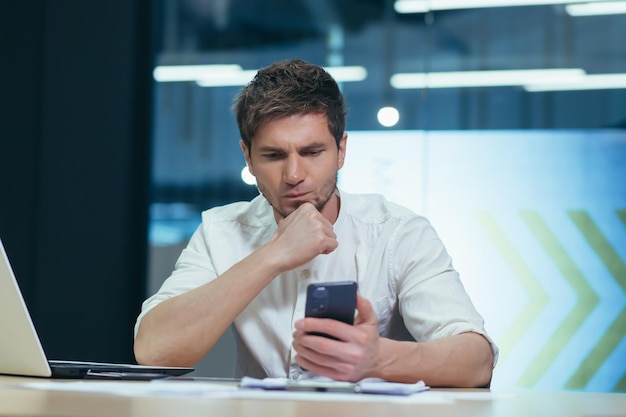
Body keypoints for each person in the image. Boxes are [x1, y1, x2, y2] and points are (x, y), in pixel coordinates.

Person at [133, 59, 497, 387]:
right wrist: (273, 255)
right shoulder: (221, 231)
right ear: (247, 155)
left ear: (341, 150)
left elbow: (476, 361)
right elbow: (154, 350)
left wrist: (378, 358)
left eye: (312, 152)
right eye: (273, 155)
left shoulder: (398, 232)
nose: (294, 175)